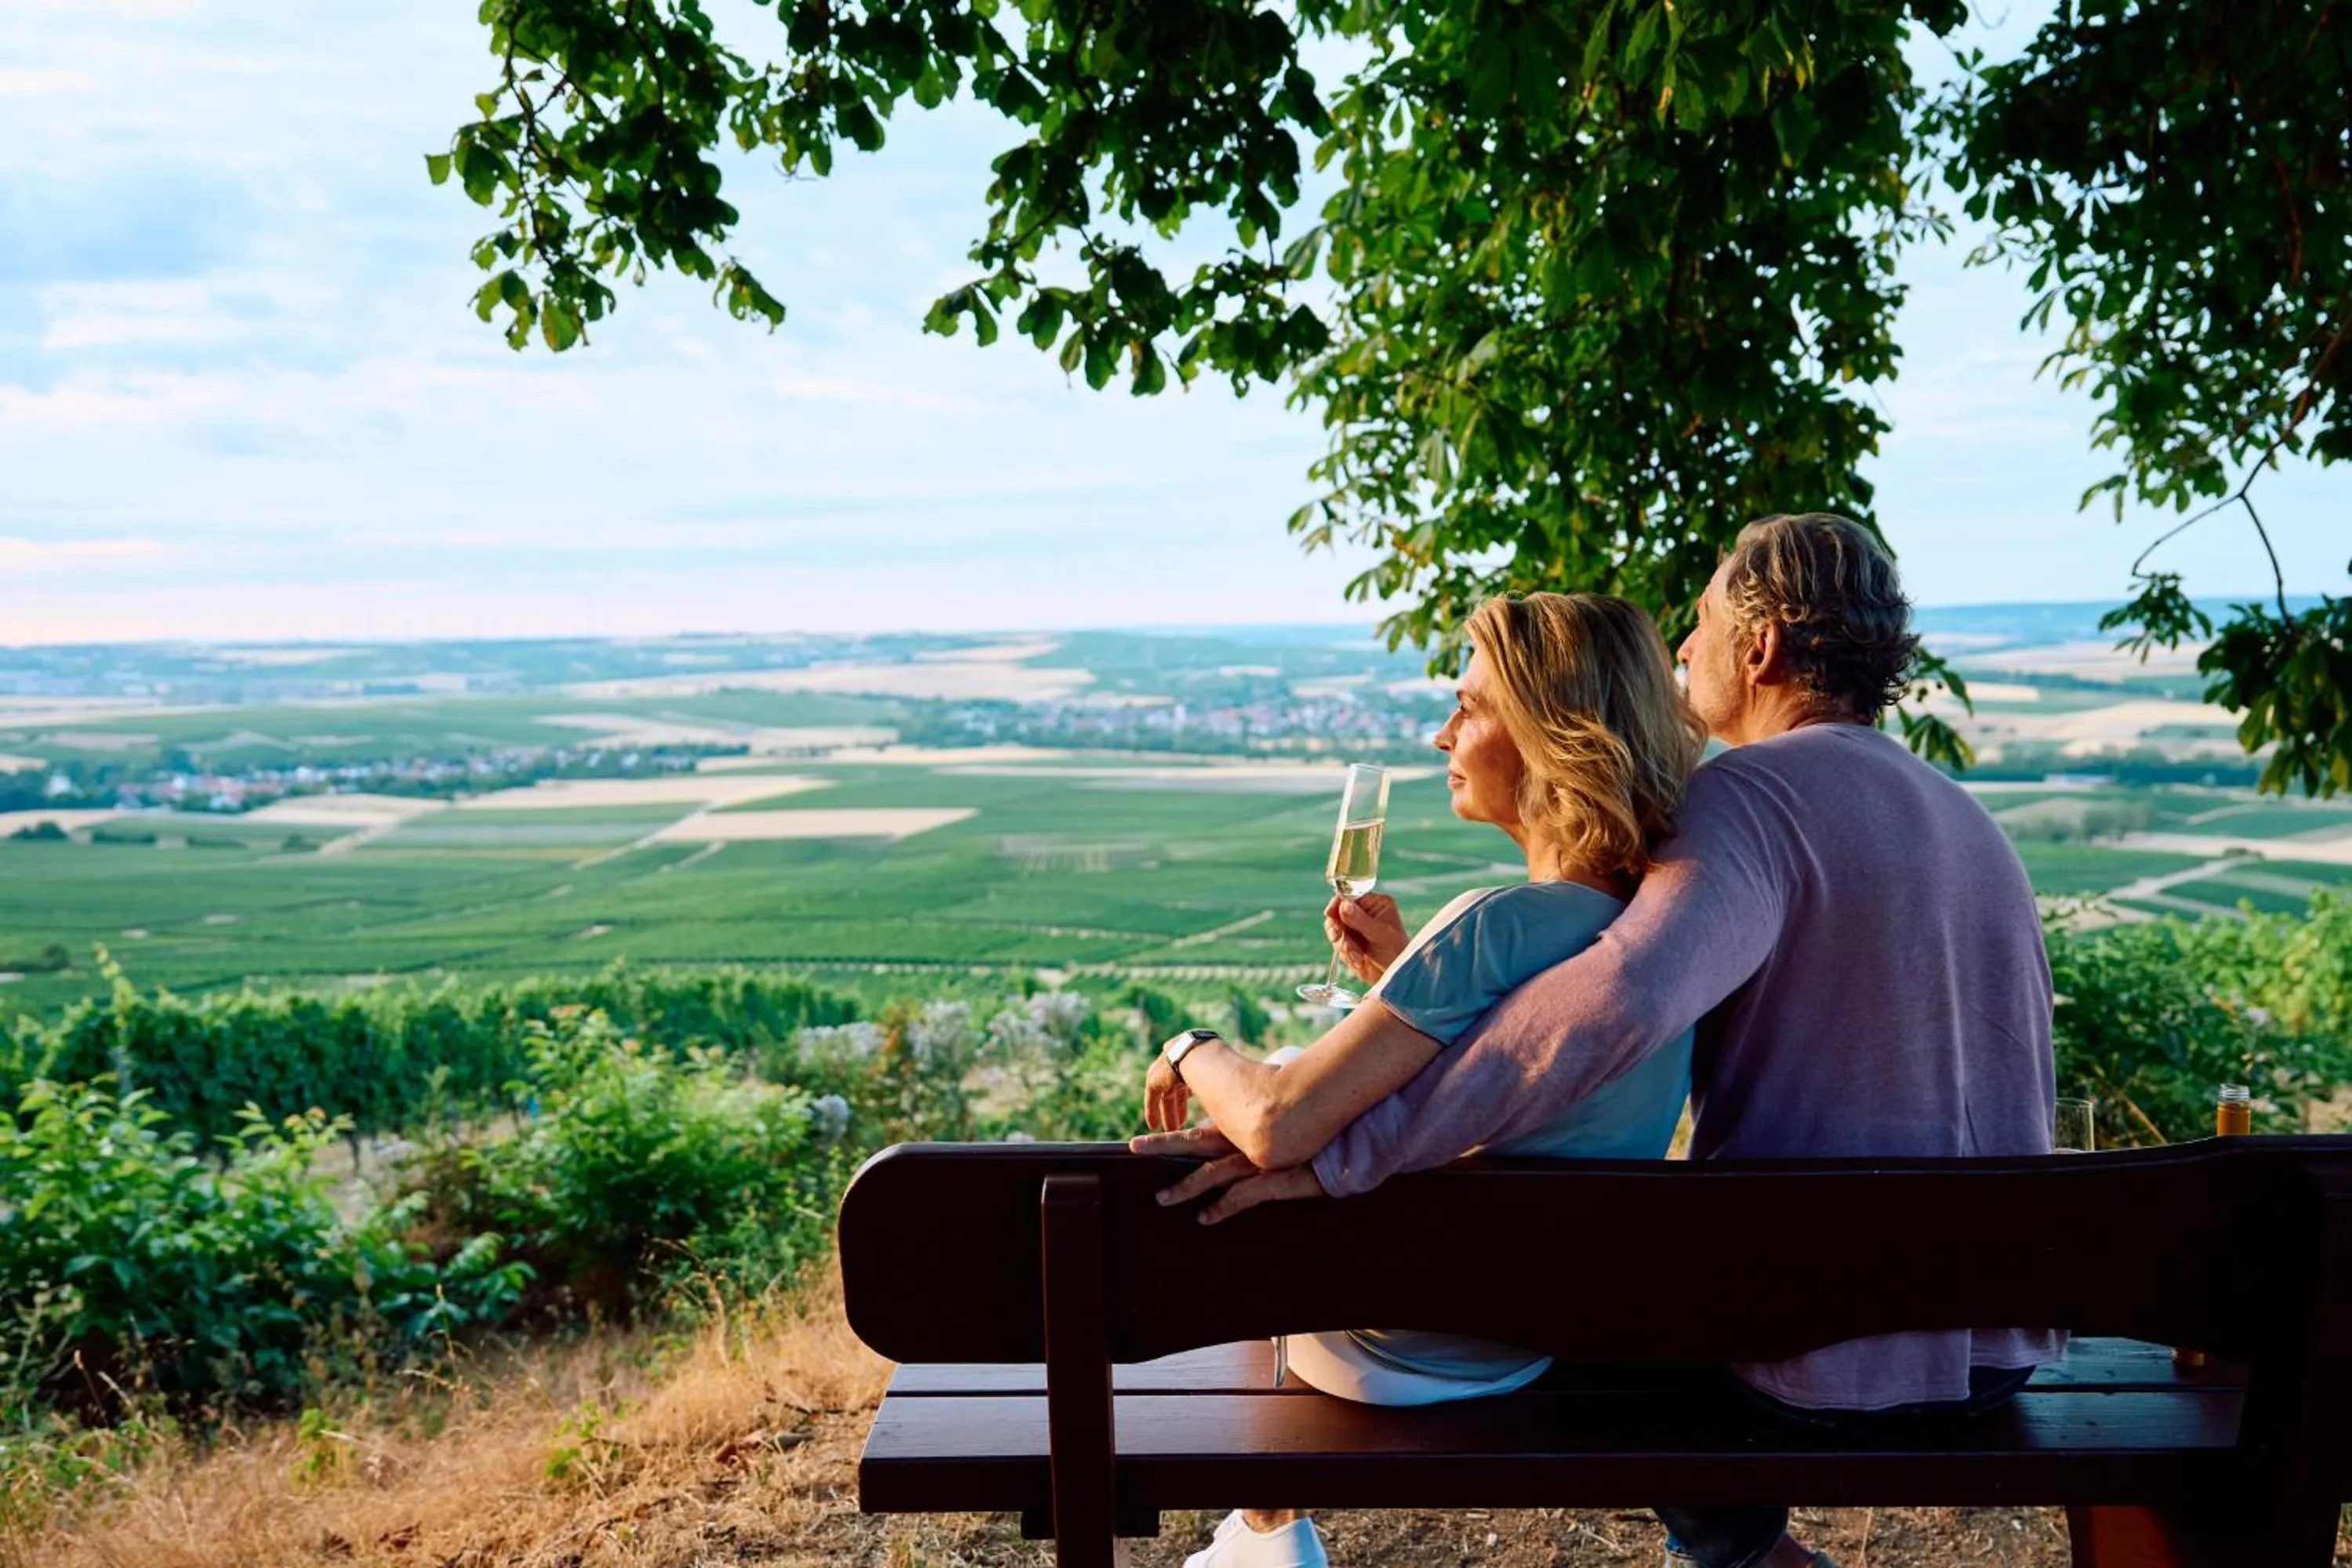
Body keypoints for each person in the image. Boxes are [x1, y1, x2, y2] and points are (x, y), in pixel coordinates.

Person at [1142, 514, 2062, 1568]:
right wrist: (1416, 980)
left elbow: (1613, 1002)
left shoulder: (1753, 799)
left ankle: (1741, 1552)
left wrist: (1347, 1150)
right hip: (1997, 1345)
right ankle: (1738, 1552)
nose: (1682, 653)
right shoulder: (1965, 817)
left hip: (1826, 1352)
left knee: (1603, 1306)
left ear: (1759, 650)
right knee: (1612, 1274)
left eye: (1703, 624)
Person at [1136, 590, 1706, 1568]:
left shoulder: (1494, 923)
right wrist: (1408, 972)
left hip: (1402, 1348)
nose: (1443, 731)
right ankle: (1256, 1531)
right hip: (1532, 1330)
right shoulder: (1663, 937)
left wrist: (1190, 1044)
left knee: (1251, 1118)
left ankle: (1267, 1531)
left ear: (1546, 735)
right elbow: (1523, 1070)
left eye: (1470, 707)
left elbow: (1276, 1122)